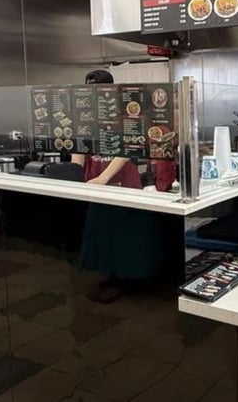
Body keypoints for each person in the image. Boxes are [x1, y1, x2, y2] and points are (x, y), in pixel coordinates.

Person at [72, 69, 163, 303]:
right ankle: (108, 277)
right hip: (95, 182)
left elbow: (128, 147)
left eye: (96, 88)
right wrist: (74, 172)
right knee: (102, 231)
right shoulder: (85, 116)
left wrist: (104, 177)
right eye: (88, 89)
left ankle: (129, 280)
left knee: (125, 232)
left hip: (122, 182)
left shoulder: (124, 113)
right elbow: (80, 147)